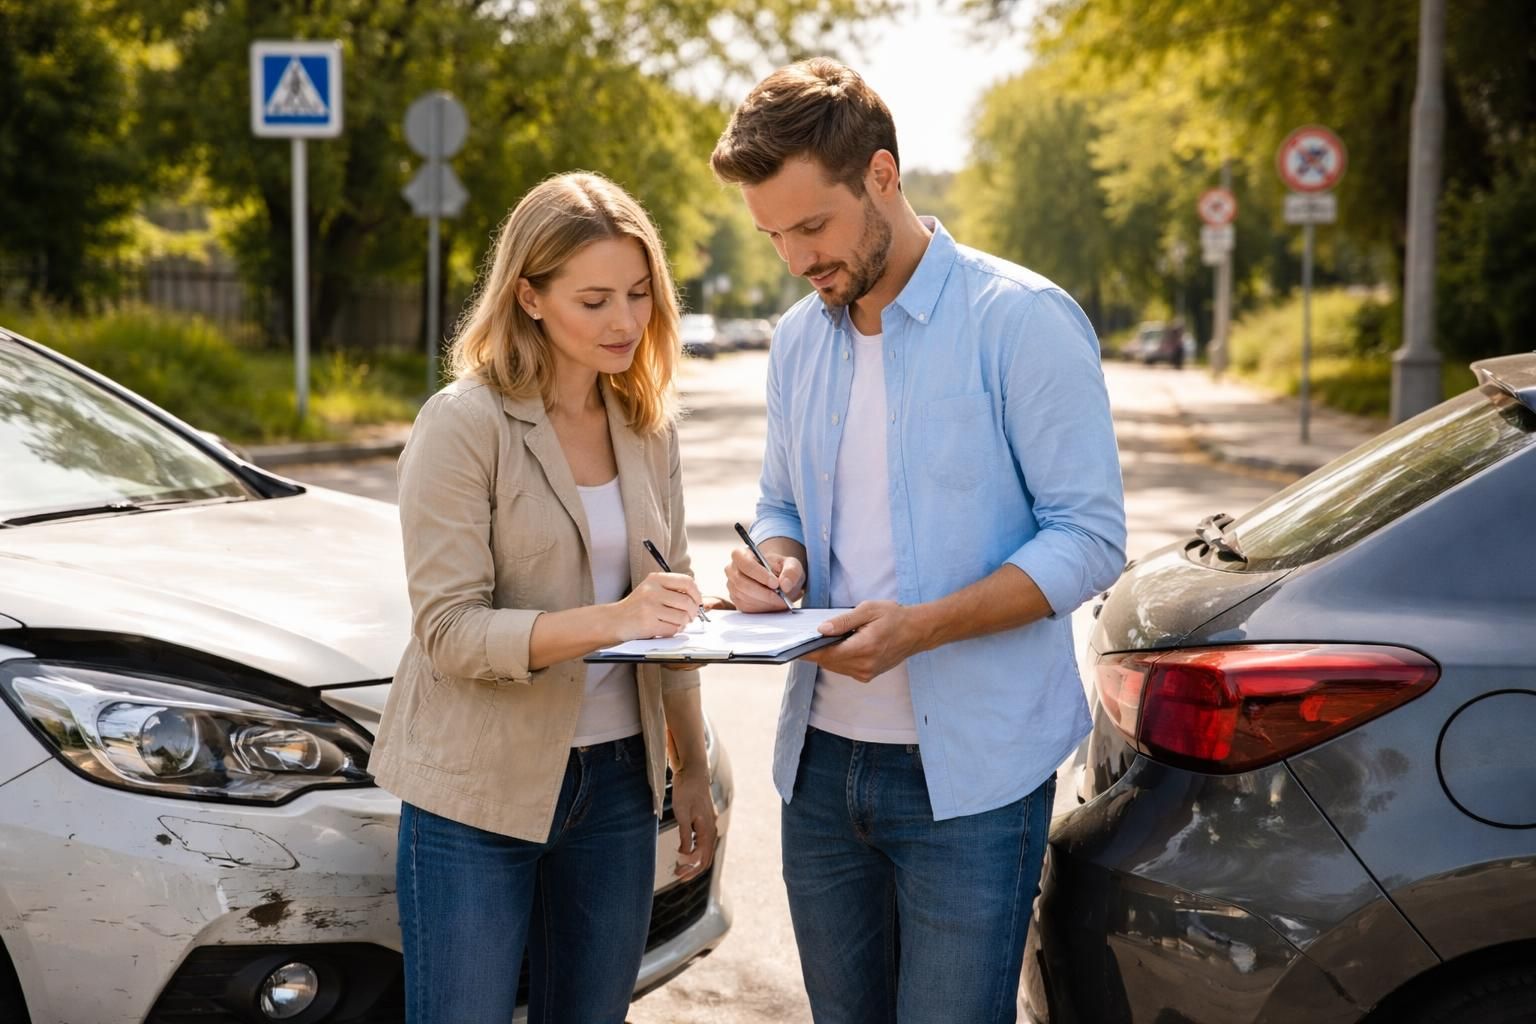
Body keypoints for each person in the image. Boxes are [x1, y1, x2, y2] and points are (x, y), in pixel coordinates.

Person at [713, 59, 1126, 1022]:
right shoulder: (796, 341)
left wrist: (926, 627)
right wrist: (781, 561)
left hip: (974, 781)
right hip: (817, 766)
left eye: (812, 226)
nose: (796, 259)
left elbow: (1090, 537)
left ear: (884, 178)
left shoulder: (1021, 321)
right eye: (773, 235)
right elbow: (782, 503)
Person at [369, 172, 718, 1024]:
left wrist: (693, 768)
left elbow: (666, 615)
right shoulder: (464, 423)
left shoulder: (647, 425)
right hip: (475, 790)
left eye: (638, 295)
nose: (624, 321)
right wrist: (616, 619)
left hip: (619, 791)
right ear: (528, 296)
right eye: (594, 299)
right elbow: (449, 631)